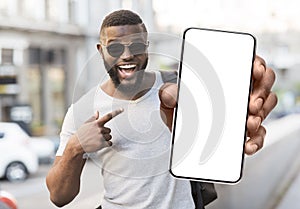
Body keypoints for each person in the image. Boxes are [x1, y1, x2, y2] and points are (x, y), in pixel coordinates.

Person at [46, 9, 277, 209]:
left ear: (147, 46)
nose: (127, 56)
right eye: (115, 47)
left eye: (136, 45)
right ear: (100, 50)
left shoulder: (180, 88)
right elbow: (59, 197)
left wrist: (247, 92)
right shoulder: (83, 109)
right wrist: (75, 148)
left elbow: (226, 125)